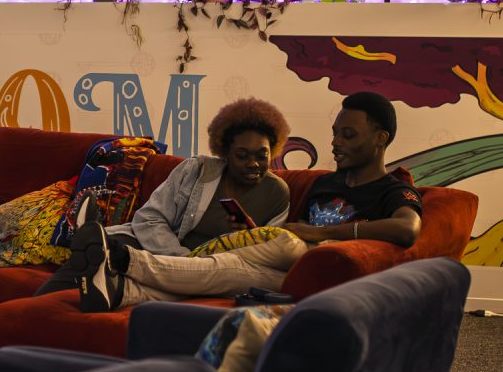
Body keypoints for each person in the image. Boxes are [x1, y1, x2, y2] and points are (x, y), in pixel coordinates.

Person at [78, 91, 423, 311]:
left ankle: (122, 260)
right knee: (231, 270)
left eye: (348, 135)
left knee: (254, 258)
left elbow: (407, 228)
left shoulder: (390, 189)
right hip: (284, 263)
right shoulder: (324, 183)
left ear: (381, 139)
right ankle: (122, 291)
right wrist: (254, 232)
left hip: (311, 261)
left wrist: (316, 235)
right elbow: (275, 235)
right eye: (335, 133)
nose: (335, 143)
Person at [36, 97, 291, 296]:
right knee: (91, 255)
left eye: (262, 155)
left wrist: (251, 234)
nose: (254, 164)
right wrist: (178, 257)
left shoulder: (276, 193)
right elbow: (149, 218)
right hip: (158, 246)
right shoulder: (198, 170)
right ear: (225, 151)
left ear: (273, 150)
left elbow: (269, 257)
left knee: (112, 263)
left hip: (211, 269)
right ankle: (33, 313)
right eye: (242, 155)